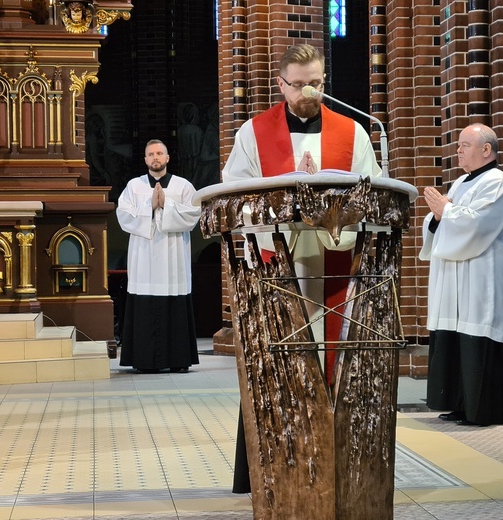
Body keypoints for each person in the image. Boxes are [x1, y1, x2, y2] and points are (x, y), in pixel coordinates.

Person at [221, 43, 382, 493]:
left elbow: (370, 198)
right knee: (275, 361)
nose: (309, 91)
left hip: (333, 263)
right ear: (280, 83)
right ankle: (270, 468)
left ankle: (332, 470)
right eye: (299, 84)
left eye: (316, 82)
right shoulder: (254, 135)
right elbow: (235, 197)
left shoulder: (353, 134)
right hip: (279, 266)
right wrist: (286, 206)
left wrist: (331, 212)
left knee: (332, 357)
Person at [419, 123, 503, 426]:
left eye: (464, 145)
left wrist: (446, 211)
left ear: (486, 149)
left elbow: (478, 225)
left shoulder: (497, 182)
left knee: (475, 337)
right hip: (455, 279)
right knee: (454, 337)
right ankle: (460, 404)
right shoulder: (462, 181)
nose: (458, 150)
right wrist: (439, 214)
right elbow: (447, 217)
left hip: (481, 277)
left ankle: (483, 409)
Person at [116, 139, 201, 374]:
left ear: (167, 158)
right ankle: (145, 361)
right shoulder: (134, 186)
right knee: (144, 302)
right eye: (151, 154)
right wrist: (149, 206)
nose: (155, 157)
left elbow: (195, 214)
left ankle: (178, 359)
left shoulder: (183, 186)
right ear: (145, 160)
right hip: (144, 257)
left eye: (160, 153)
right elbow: (123, 216)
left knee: (175, 301)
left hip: (173, 258)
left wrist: (167, 204)